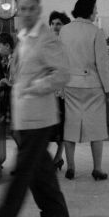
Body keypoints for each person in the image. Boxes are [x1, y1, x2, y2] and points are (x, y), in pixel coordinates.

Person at [0, 0, 70, 217]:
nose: (27, 13)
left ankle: (5, 215)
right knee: (40, 167)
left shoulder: (46, 38)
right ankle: (55, 210)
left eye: (32, 8)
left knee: (22, 169)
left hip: (39, 115)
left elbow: (62, 73)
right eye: (23, 8)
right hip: (25, 115)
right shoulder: (24, 37)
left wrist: (35, 87)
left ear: (39, 10)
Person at [59, 0, 109, 181]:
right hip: (92, 85)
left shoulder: (65, 31)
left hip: (70, 84)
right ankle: (97, 169)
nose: (97, 12)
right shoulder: (96, 32)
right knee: (96, 128)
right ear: (89, 10)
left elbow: (60, 60)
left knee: (70, 126)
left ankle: (71, 167)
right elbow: (102, 64)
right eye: (95, 8)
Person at [48, 11, 71, 172]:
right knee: (50, 126)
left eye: (59, 24)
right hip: (48, 88)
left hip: (62, 89)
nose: (55, 26)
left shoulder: (67, 43)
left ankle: (58, 156)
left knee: (62, 125)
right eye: (53, 23)